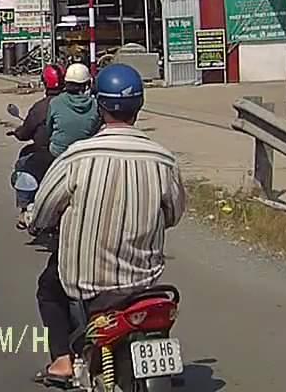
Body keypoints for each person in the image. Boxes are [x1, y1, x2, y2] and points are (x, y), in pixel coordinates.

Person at [27, 64, 187, 387]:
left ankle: (62, 361)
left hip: (88, 282)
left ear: (100, 106)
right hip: (144, 281)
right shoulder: (163, 160)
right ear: (139, 106)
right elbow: (173, 214)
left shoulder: (76, 158)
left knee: (49, 289)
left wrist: (37, 222)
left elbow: (42, 212)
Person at [8, 63, 65, 229]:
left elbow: (26, 132)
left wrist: (18, 133)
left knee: (23, 164)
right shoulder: (77, 104)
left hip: (46, 155)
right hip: (72, 155)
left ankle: (24, 208)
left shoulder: (41, 107)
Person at [46, 63, 102, 159]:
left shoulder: (55, 102)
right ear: (87, 84)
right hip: (85, 152)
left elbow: (49, 129)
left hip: (59, 152)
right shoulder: (94, 104)